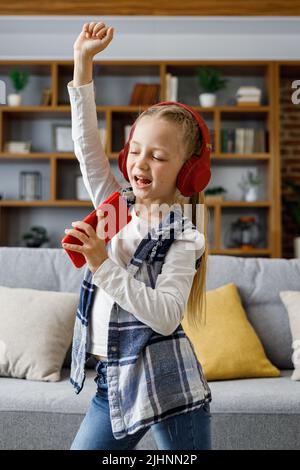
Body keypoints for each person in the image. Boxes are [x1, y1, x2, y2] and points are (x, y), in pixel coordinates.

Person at [63, 21, 213, 451]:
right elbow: (86, 146)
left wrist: (102, 264)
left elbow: (166, 316)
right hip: (114, 379)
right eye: (136, 151)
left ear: (188, 172)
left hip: (169, 387)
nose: (140, 163)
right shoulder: (116, 207)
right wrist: (83, 61)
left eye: (159, 156)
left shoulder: (184, 238)